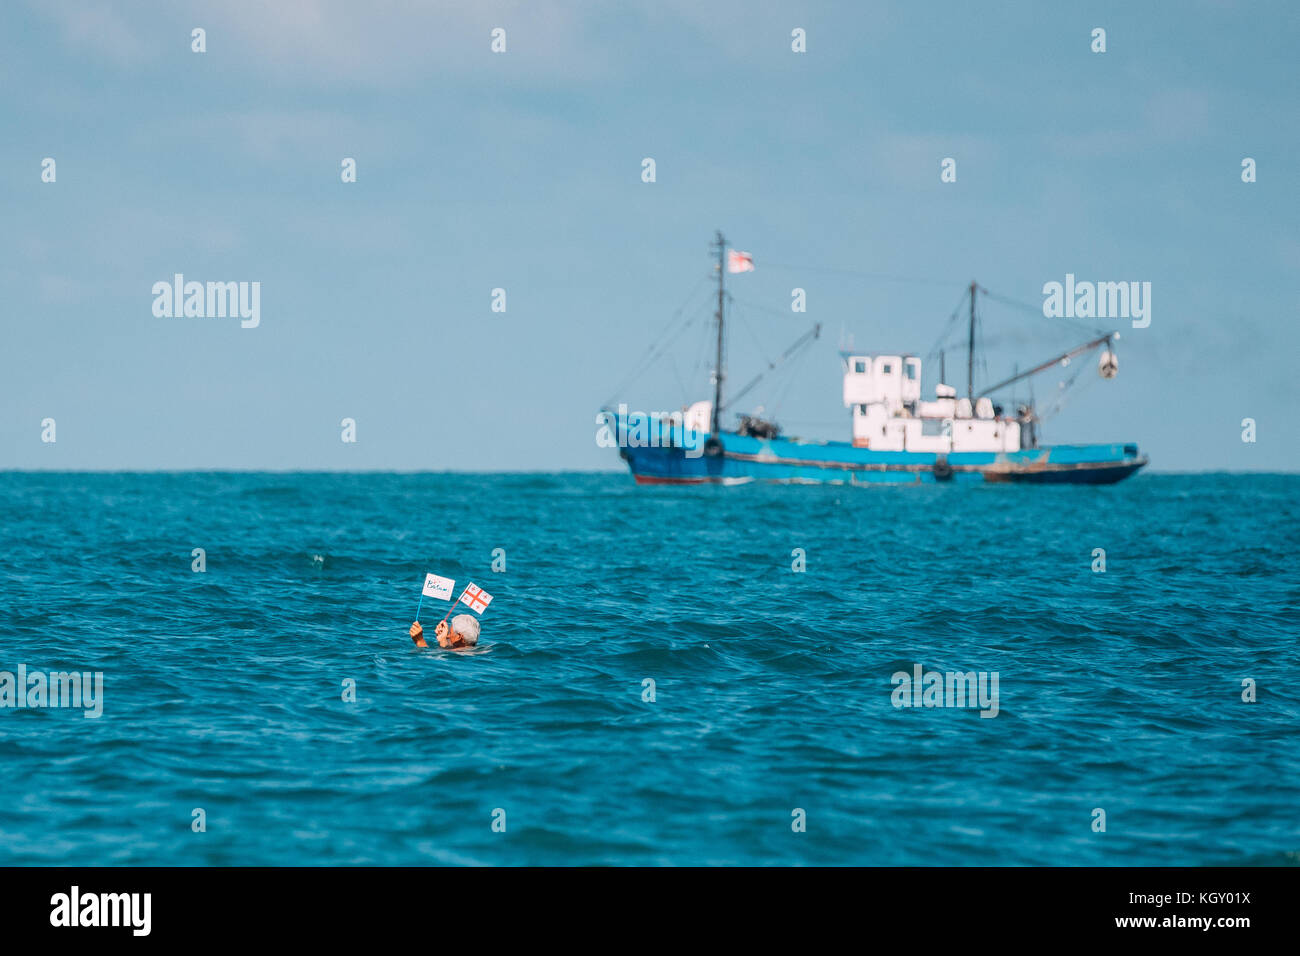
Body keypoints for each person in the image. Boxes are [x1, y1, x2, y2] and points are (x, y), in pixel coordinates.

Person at [410, 614, 480, 650]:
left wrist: (419, 641)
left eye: (450, 633)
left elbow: (427, 664)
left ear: (459, 636)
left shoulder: (457, 656)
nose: (448, 636)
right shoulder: (475, 651)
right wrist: (442, 640)